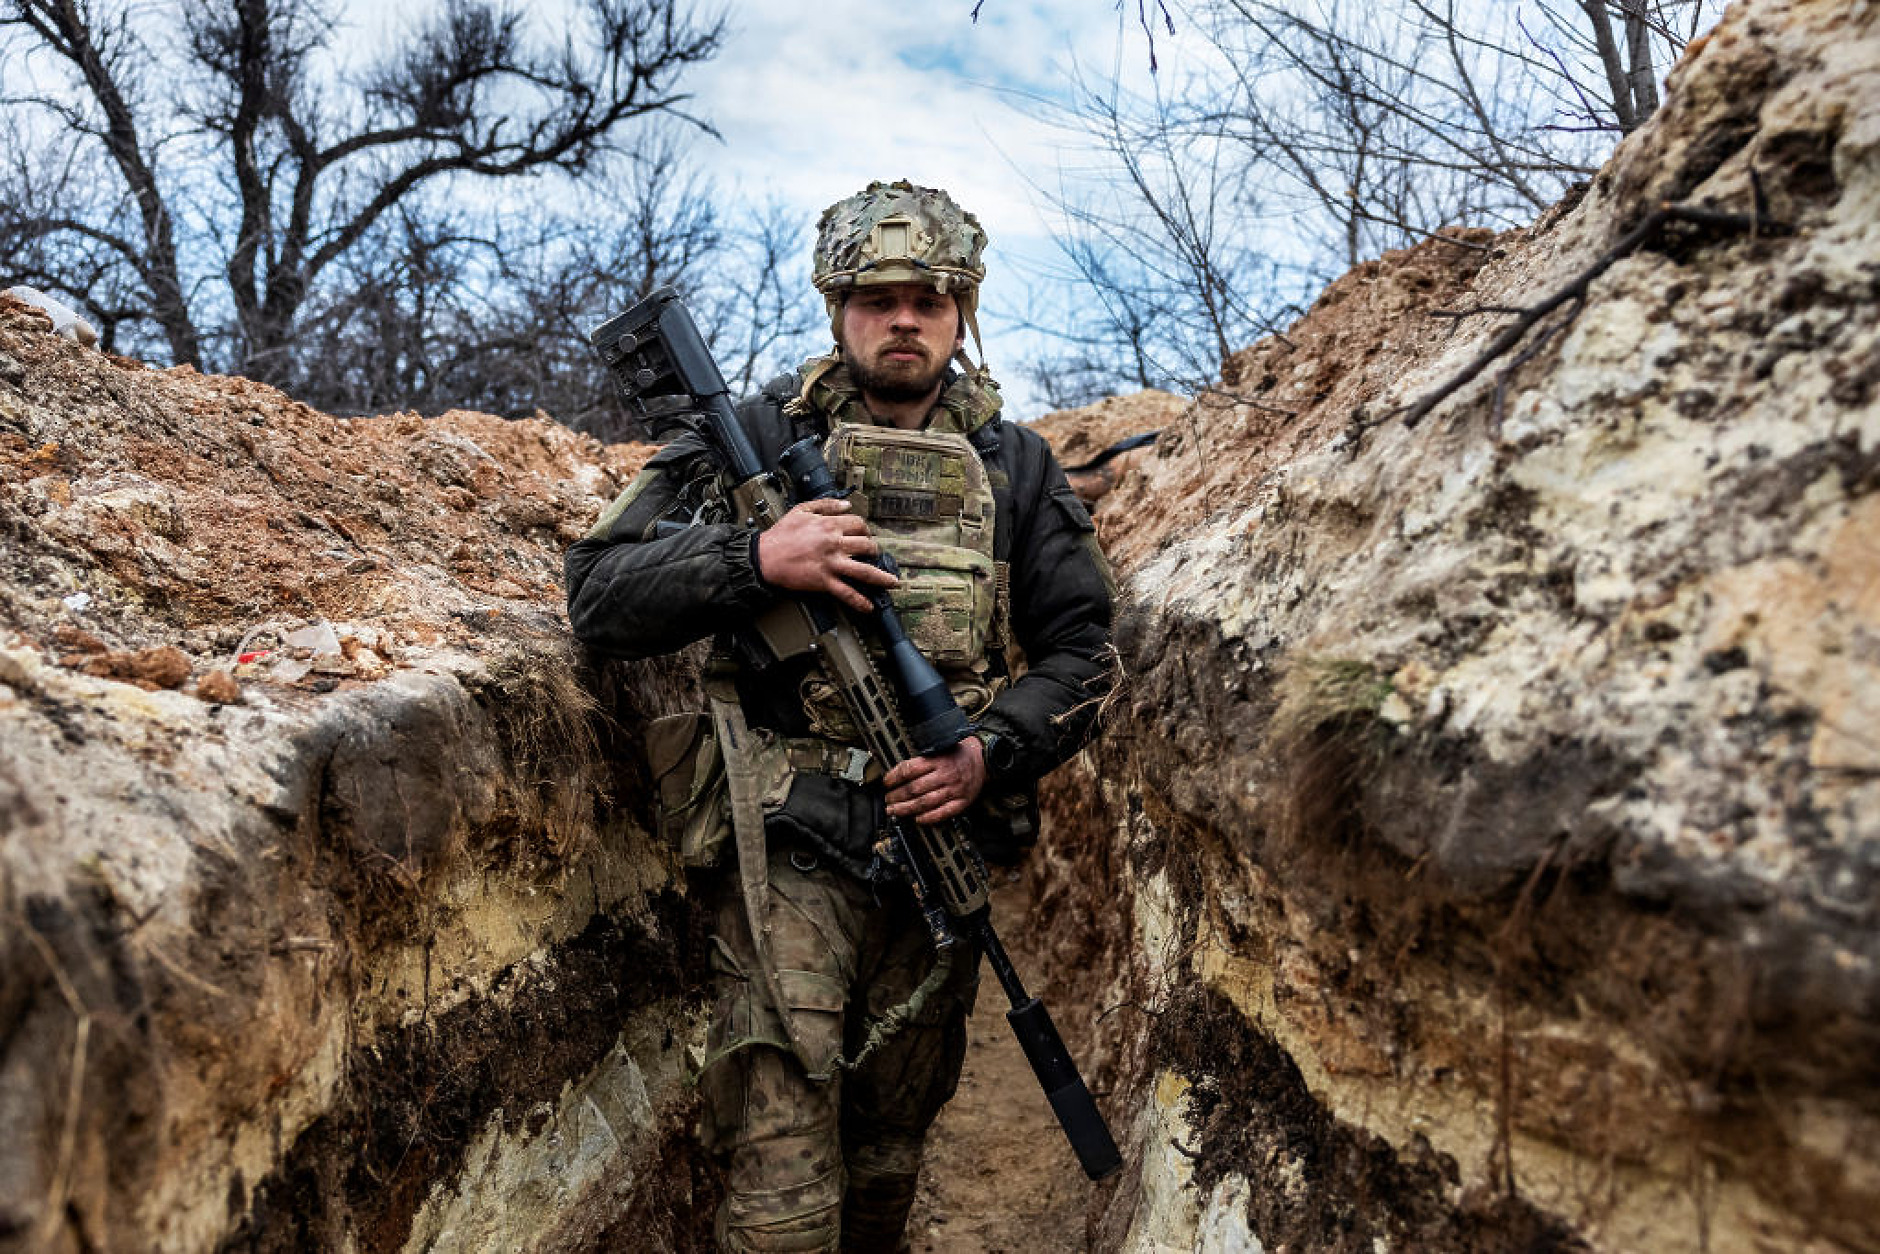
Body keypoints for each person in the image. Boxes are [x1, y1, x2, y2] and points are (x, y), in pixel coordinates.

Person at [565, 179, 1114, 1252]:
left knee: (888, 1154)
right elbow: (597, 593)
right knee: (779, 1184)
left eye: (927, 298)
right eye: (874, 299)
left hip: (936, 844)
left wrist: (984, 754)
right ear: (834, 309)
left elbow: (1083, 656)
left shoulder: (1017, 467)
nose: (901, 319)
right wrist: (753, 557)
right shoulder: (754, 438)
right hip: (789, 847)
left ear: (961, 313)